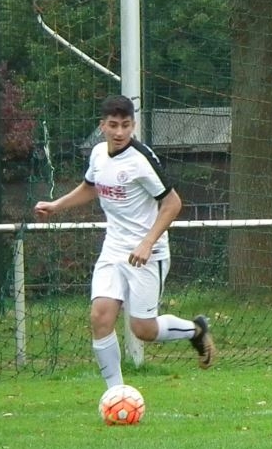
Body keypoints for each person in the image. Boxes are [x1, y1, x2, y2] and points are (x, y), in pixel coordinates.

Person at [34, 95, 215, 389]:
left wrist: (147, 242)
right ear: (102, 126)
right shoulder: (97, 154)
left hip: (148, 253)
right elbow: (91, 187)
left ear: (133, 125)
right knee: (100, 316)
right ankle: (116, 395)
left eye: (126, 125)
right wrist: (56, 205)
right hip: (114, 248)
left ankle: (196, 330)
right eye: (113, 125)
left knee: (143, 329)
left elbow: (172, 203)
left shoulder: (141, 160)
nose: (119, 132)